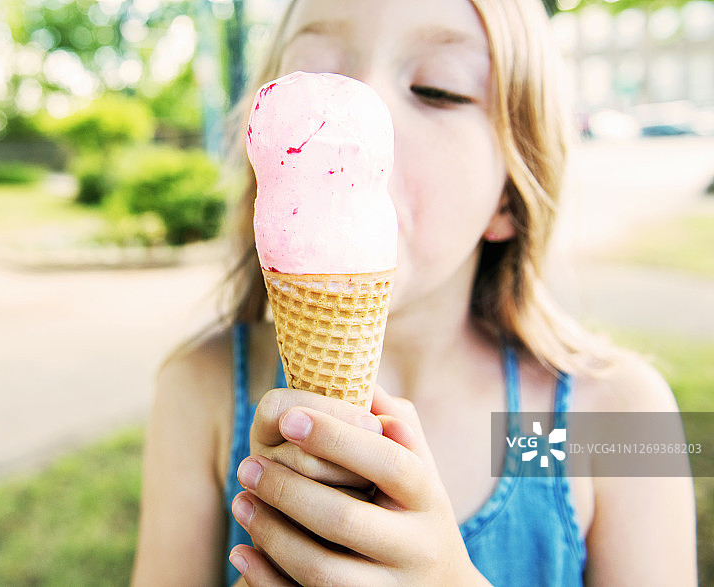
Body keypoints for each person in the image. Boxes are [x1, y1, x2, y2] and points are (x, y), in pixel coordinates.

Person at [132, 0, 698, 585]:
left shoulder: (615, 415)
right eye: (317, 77)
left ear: (509, 193)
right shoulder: (200, 392)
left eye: (437, 89)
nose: (359, 112)